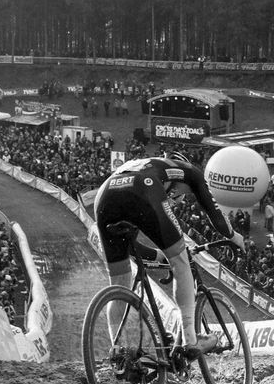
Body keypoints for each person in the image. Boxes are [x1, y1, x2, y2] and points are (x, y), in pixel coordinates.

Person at [92, 150, 236, 356]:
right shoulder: (189, 172)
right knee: (181, 260)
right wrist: (234, 237)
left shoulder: (144, 163)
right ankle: (191, 341)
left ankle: (118, 350)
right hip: (142, 187)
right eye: (180, 194)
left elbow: (131, 246)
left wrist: (159, 255)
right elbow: (215, 214)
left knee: (118, 281)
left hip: (105, 196)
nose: (177, 198)